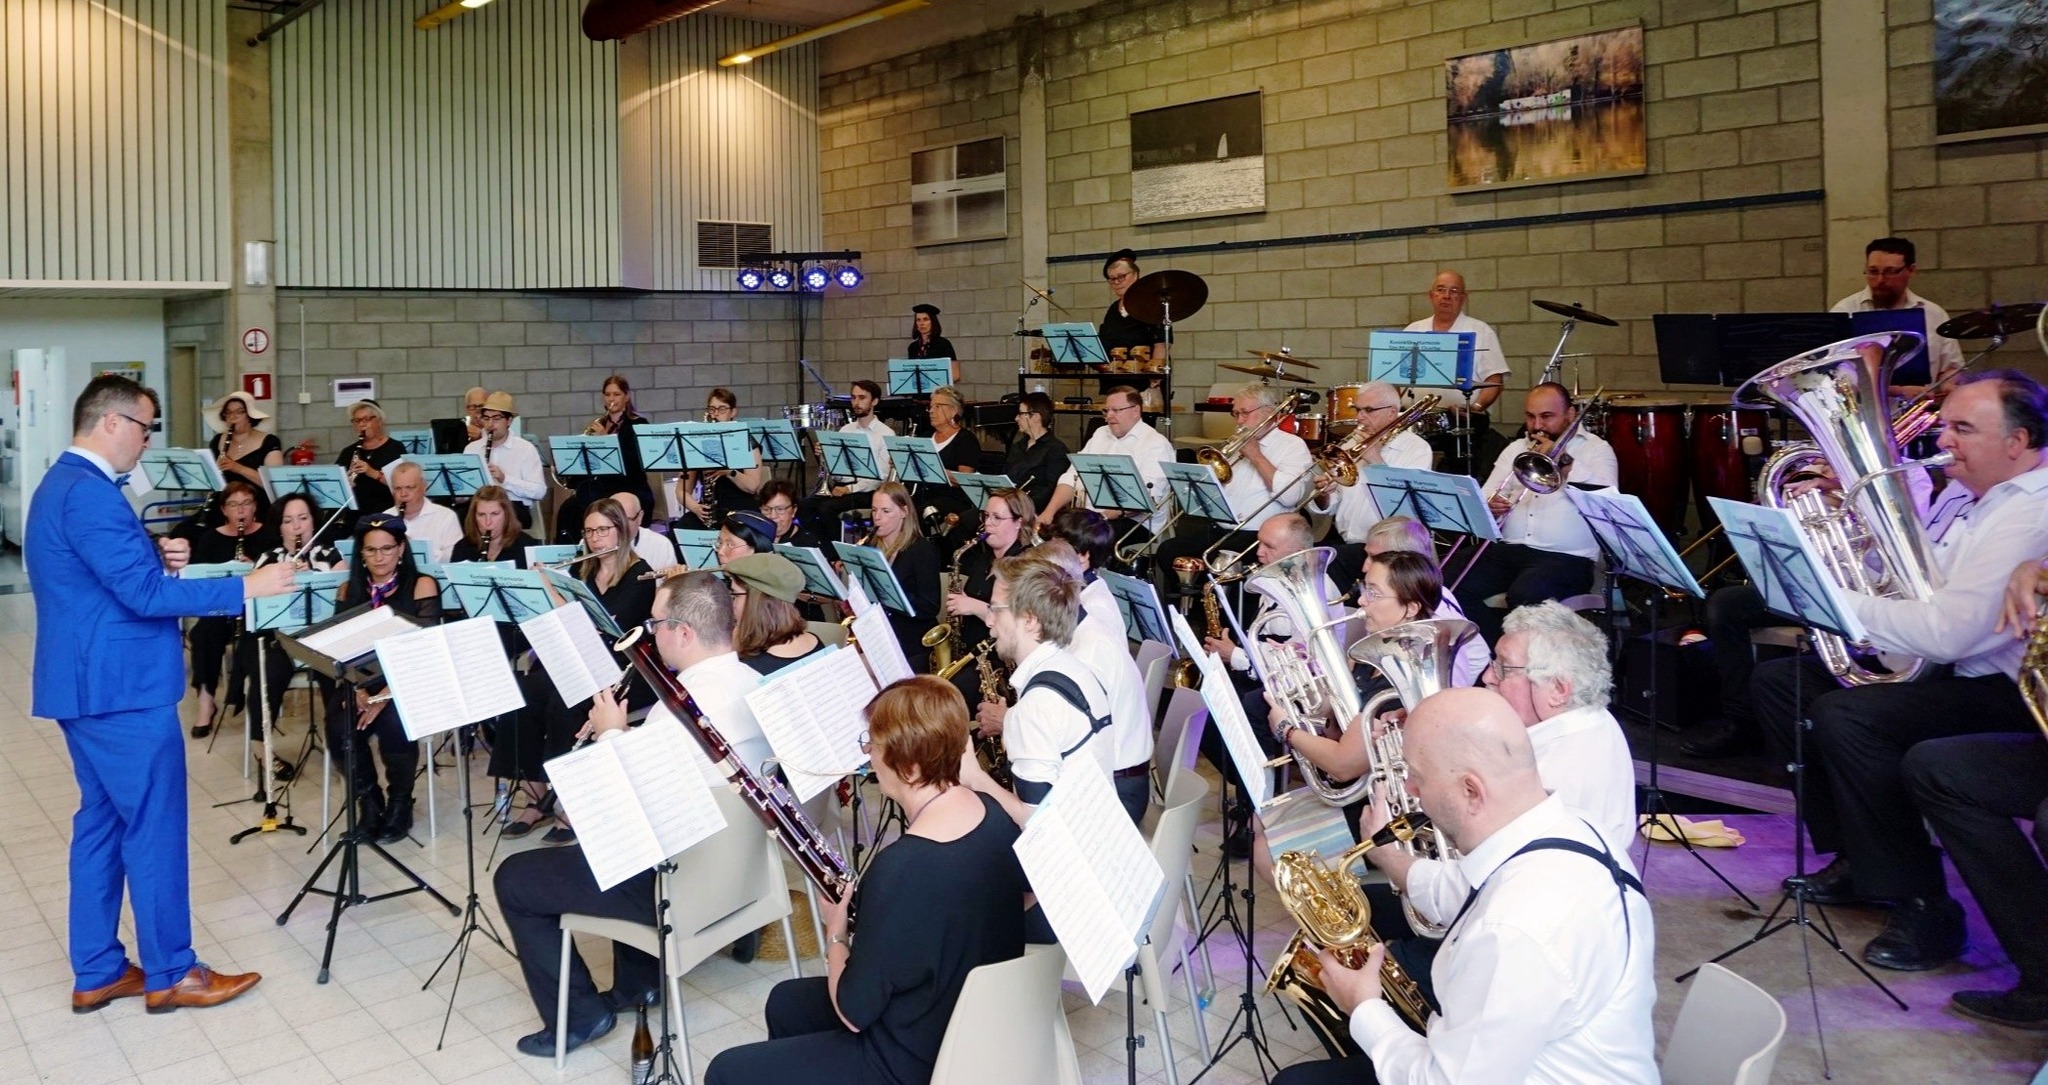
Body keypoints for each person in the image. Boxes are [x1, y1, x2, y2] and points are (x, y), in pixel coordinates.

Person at [1748, 370, 2048, 971]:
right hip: (1960, 671)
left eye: (1963, 429)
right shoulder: (1980, 498)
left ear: (2017, 443)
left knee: (1849, 717)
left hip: (2007, 689)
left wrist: (1833, 604)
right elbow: (1920, 586)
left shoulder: (2028, 511)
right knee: (1783, 685)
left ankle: (1924, 904)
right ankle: (1860, 859)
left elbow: (1949, 632)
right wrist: (1860, 544)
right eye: (1945, 426)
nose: (1944, 442)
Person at [30, 374, 295, 1014]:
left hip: (86, 684)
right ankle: (173, 972)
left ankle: (97, 968)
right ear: (114, 422)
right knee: (152, 829)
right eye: (147, 428)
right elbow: (143, 598)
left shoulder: (63, 483)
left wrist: (157, 556)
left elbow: (112, 576)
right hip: (120, 689)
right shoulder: (90, 494)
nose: (149, 442)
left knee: (101, 824)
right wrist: (246, 589)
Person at [1269, 686, 1656, 1085]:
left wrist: (1364, 1006)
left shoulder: (1513, 931)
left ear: (1471, 790)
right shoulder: (1573, 827)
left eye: (1417, 778)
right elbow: (1455, 889)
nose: (1413, 792)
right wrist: (1389, 858)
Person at [494, 571, 770, 1058]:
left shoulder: (681, 709)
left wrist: (609, 737)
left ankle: (579, 1017)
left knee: (516, 877)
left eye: (655, 623)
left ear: (683, 632)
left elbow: (624, 812)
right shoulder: (754, 682)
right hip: (741, 873)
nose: (649, 634)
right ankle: (637, 987)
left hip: (681, 886)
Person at [703, 677, 1029, 1085]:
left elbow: (853, 1013)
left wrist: (836, 931)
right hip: (971, 1017)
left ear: (909, 768)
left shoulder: (901, 867)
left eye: (873, 745)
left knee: (726, 1071)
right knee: (785, 1001)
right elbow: (1022, 898)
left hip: (913, 1058)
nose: (867, 755)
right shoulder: (992, 814)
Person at [1341, 602, 1636, 1015]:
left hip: (1503, 958)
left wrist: (1389, 857)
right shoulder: (1588, 725)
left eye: (1504, 668)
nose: (1487, 676)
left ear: (1558, 689)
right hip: (1503, 924)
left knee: (1342, 955)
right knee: (1350, 900)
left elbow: (1465, 893)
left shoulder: (1555, 772)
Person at [503, 499, 655, 844]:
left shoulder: (640, 575)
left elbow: (607, 629)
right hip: (577, 664)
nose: (597, 539)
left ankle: (569, 806)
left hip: (621, 671)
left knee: (564, 702)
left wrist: (553, 594)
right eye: (590, 532)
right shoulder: (580, 572)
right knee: (520, 695)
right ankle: (535, 796)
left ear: (623, 530)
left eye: (604, 530)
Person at [1453, 382, 1618, 646]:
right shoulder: (1515, 448)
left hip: (1567, 558)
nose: (1537, 425)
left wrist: (1566, 465)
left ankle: (1515, 661)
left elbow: (1606, 503)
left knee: (1526, 594)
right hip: (1509, 550)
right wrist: (1490, 506)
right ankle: (1493, 651)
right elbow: (1483, 498)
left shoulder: (1596, 449)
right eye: (1530, 416)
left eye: (1547, 416)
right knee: (1444, 579)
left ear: (1571, 415)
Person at [958, 553, 1117, 825]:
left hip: (1067, 852)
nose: (989, 621)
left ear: (1030, 620)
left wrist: (975, 777)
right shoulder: (1075, 667)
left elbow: (1034, 820)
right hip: (1098, 829)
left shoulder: (1036, 706)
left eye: (996, 610)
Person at [327, 511, 442, 845]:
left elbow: (425, 648)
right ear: (360, 553)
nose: (379, 557)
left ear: (401, 549)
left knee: (394, 723)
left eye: (387, 549)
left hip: (408, 681)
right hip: (361, 681)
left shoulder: (421, 585)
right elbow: (340, 648)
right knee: (339, 722)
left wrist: (387, 694)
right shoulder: (348, 589)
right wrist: (356, 688)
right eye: (371, 550)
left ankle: (400, 803)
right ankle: (369, 803)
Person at [1029, 537, 1154, 822]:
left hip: (1117, 790)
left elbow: (1080, 743)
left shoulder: (1089, 652)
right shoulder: (1080, 632)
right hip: (1114, 776)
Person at [1152, 383, 1315, 598]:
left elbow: (1290, 497)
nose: (1239, 421)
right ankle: (1202, 605)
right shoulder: (1236, 444)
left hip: (1256, 534)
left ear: (1268, 412)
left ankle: (1216, 607)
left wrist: (1256, 455)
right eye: (1235, 414)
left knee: (1221, 561)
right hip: (1222, 529)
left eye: (1245, 413)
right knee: (1168, 551)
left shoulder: (1292, 446)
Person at [236, 493, 345, 755]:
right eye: (288, 520)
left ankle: (341, 744)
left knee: (337, 678)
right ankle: (262, 751)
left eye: (303, 518)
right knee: (268, 676)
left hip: (324, 641)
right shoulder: (269, 558)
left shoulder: (331, 554)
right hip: (283, 640)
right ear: (280, 526)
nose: (296, 527)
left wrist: (314, 577)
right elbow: (252, 601)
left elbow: (346, 595)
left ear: (313, 522)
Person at [172, 480, 278, 739]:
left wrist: (255, 567)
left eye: (246, 503)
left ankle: (257, 704)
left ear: (255, 507)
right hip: (221, 609)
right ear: (223, 510)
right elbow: (198, 580)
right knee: (203, 633)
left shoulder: (269, 535)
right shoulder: (211, 537)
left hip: (259, 609)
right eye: (234, 505)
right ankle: (206, 701)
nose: (241, 511)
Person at [1307, 381, 1433, 589]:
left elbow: (1406, 508)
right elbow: (1331, 506)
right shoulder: (1349, 445)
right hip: (1346, 540)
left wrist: (1374, 459)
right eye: (1357, 410)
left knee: (1320, 566)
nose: (1359, 418)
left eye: (1369, 410)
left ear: (1392, 413)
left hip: (1390, 549)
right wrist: (1325, 494)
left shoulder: (1416, 448)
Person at [1040, 385, 1176, 556]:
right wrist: (1049, 512)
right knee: (1048, 533)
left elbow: (1147, 499)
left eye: (1116, 410)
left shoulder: (1155, 443)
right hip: (1092, 516)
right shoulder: (1100, 434)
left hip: (1135, 521)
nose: (1109, 416)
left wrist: (1101, 517)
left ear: (1135, 411)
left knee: (1081, 541)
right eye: (1106, 410)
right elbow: (1072, 476)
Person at [1830, 236, 1964, 396]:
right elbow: (1833, 375)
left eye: (1890, 272)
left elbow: (1950, 368)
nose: (1880, 280)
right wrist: (1897, 391)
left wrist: (1948, 385)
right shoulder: (1845, 311)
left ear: (1911, 270)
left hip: (1920, 411)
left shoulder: (1934, 313)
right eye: (1873, 271)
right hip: (1864, 414)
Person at [941, 488, 1037, 703]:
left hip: (999, 661)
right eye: (986, 516)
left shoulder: (1025, 565)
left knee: (945, 695)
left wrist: (973, 606)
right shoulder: (982, 559)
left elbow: (1018, 624)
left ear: (1019, 522)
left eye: (997, 517)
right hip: (972, 651)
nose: (988, 524)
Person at [556, 374, 654, 543]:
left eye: (616, 394)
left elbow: (634, 461)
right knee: (569, 507)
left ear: (626, 397)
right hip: (603, 484)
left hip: (630, 484)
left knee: (589, 503)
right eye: (607, 394)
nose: (611, 399)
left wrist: (605, 439)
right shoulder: (600, 423)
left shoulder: (638, 424)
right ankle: (572, 551)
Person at [864, 482, 943, 672]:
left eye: (886, 511)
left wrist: (891, 593)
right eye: (874, 510)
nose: (878, 518)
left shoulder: (921, 550)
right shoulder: (872, 548)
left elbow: (930, 606)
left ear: (904, 511)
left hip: (913, 640)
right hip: (882, 634)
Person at [803, 379, 895, 531]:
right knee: (804, 506)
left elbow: (881, 478)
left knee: (826, 509)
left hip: (867, 491)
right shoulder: (846, 430)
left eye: (862, 397)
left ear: (875, 401)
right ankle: (821, 547)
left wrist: (849, 489)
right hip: (843, 487)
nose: (856, 402)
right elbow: (837, 474)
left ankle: (836, 552)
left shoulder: (886, 434)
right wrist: (825, 457)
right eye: (853, 397)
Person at [726, 552, 829, 676]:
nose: (732, 604)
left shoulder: (751, 670)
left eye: (735, 594)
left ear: (756, 602)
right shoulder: (814, 640)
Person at [679, 387, 766, 530]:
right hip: (709, 511)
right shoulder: (697, 442)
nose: (716, 415)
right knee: (678, 532)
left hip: (740, 509)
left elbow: (752, 486)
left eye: (722, 409)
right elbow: (681, 490)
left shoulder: (746, 441)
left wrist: (729, 472)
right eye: (712, 409)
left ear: (733, 412)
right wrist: (695, 507)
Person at [466, 390, 547, 528]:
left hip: (514, 507)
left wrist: (505, 479)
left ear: (509, 421)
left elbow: (539, 491)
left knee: (497, 519)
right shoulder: (472, 449)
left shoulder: (525, 449)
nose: (490, 424)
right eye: (486, 418)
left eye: (496, 418)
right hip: (480, 507)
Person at [206, 390, 284, 505]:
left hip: (257, 506)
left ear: (250, 417)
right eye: (228, 413)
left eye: (239, 412)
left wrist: (238, 468)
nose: (233, 417)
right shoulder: (217, 441)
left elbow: (275, 485)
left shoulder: (269, 442)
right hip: (224, 506)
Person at [338, 399, 404, 527]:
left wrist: (372, 472)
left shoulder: (395, 448)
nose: (361, 425)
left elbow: (402, 484)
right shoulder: (349, 451)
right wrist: (345, 483)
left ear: (379, 421)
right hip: (354, 512)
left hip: (384, 509)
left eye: (366, 419)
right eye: (357, 421)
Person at [1097, 249, 1168, 363]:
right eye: (1112, 279)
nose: (1116, 282)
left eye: (1121, 276)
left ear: (1135, 275)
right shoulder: (1113, 309)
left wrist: (1155, 378)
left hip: (1143, 376)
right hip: (1115, 376)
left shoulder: (1152, 305)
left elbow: (1161, 345)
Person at [386, 460, 463, 564]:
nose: (403, 494)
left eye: (410, 487)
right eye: (398, 488)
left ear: (424, 487)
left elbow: (454, 560)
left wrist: (415, 548)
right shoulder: (385, 518)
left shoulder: (446, 516)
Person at [1007, 391, 1070, 513]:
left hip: (1033, 511)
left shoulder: (1056, 450)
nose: (1016, 418)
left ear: (1035, 416)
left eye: (1020, 414)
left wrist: (1022, 508)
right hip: (1010, 507)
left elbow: (1051, 490)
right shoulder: (1017, 446)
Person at [449, 484, 535, 566]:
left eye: (495, 514)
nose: (488, 522)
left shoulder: (526, 546)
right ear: (474, 516)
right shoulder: (462, 548)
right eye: (481, 514)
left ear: (506, 515)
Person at [614, 491, 679, 573]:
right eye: (615, 520)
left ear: (640, 517)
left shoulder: (661, 544)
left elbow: (671, 583)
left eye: (627, 520)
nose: (621, 526)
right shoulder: (597, 542)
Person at [907, 302, 959, 372]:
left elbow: (955, 374)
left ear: (933, 322)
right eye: (918, 320)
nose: (921, 323)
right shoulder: (913, 347)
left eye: (925, 319)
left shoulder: (943, 344)